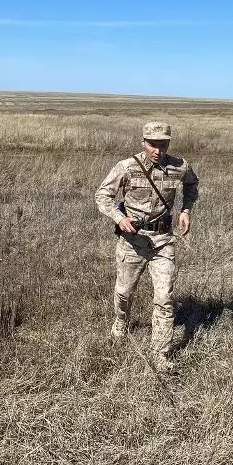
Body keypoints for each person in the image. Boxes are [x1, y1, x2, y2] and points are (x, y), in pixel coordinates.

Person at [95, 121, 199, 372]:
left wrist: (185, 211)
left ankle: (160, 354)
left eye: (163, 145)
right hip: (133, 242)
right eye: (153, 144)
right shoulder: (127, 167)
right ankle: (121, 322)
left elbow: (192, 185)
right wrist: (120, 218)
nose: (158, 150)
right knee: (124, 292)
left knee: (165, 298)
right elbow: (102, 195)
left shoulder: (179, 166)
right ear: (143, 142)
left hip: (163, 242)